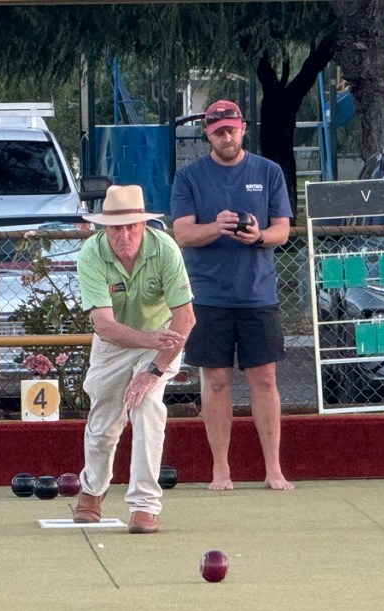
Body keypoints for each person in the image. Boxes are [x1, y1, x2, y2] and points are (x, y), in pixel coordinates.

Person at [170, 99, 295, 491]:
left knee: (264, 378)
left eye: (232, 130)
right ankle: (220, 469)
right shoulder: (189, 176)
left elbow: (282, 230)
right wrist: (217, 226)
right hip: (209, 294)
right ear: (208, 134)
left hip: (258, 293)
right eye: (218, 132)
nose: (226, 137)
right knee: (216, 380)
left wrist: (257, 236)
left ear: (243, 128)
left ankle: (273, 469)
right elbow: (182, 233)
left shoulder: (268, 171)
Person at [72, 184, 195, 534]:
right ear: (104, 229)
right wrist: (148, 339)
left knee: (147, 408)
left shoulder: (166, 249)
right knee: (104, 421)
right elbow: (104, 326)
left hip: (162, 339)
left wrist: (153, 370)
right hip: (115, 343)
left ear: (143, 225)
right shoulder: (90, 254)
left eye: (131, 227)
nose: (124, 235)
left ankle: (144, 505)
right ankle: (93, 489)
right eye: (115, 228)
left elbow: (185, 319)